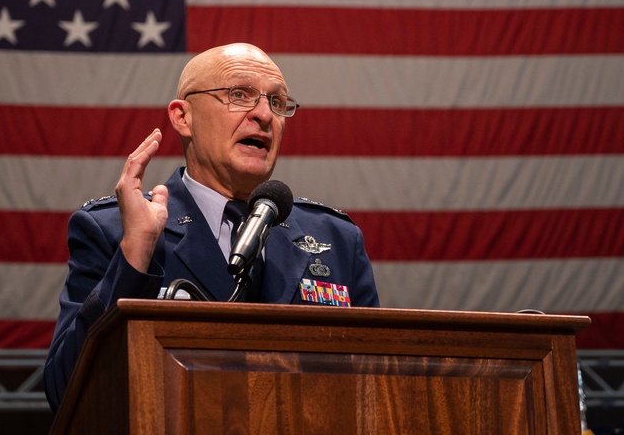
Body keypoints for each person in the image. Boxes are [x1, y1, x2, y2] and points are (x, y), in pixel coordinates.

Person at [43, 43, 379, 410]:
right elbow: (65, 393)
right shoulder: (113, 231)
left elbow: (377, 389)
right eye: (239, 95)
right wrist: (135, 255)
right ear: (183, 117)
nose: (265, 115)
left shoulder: (337, 239)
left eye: (278, 102)